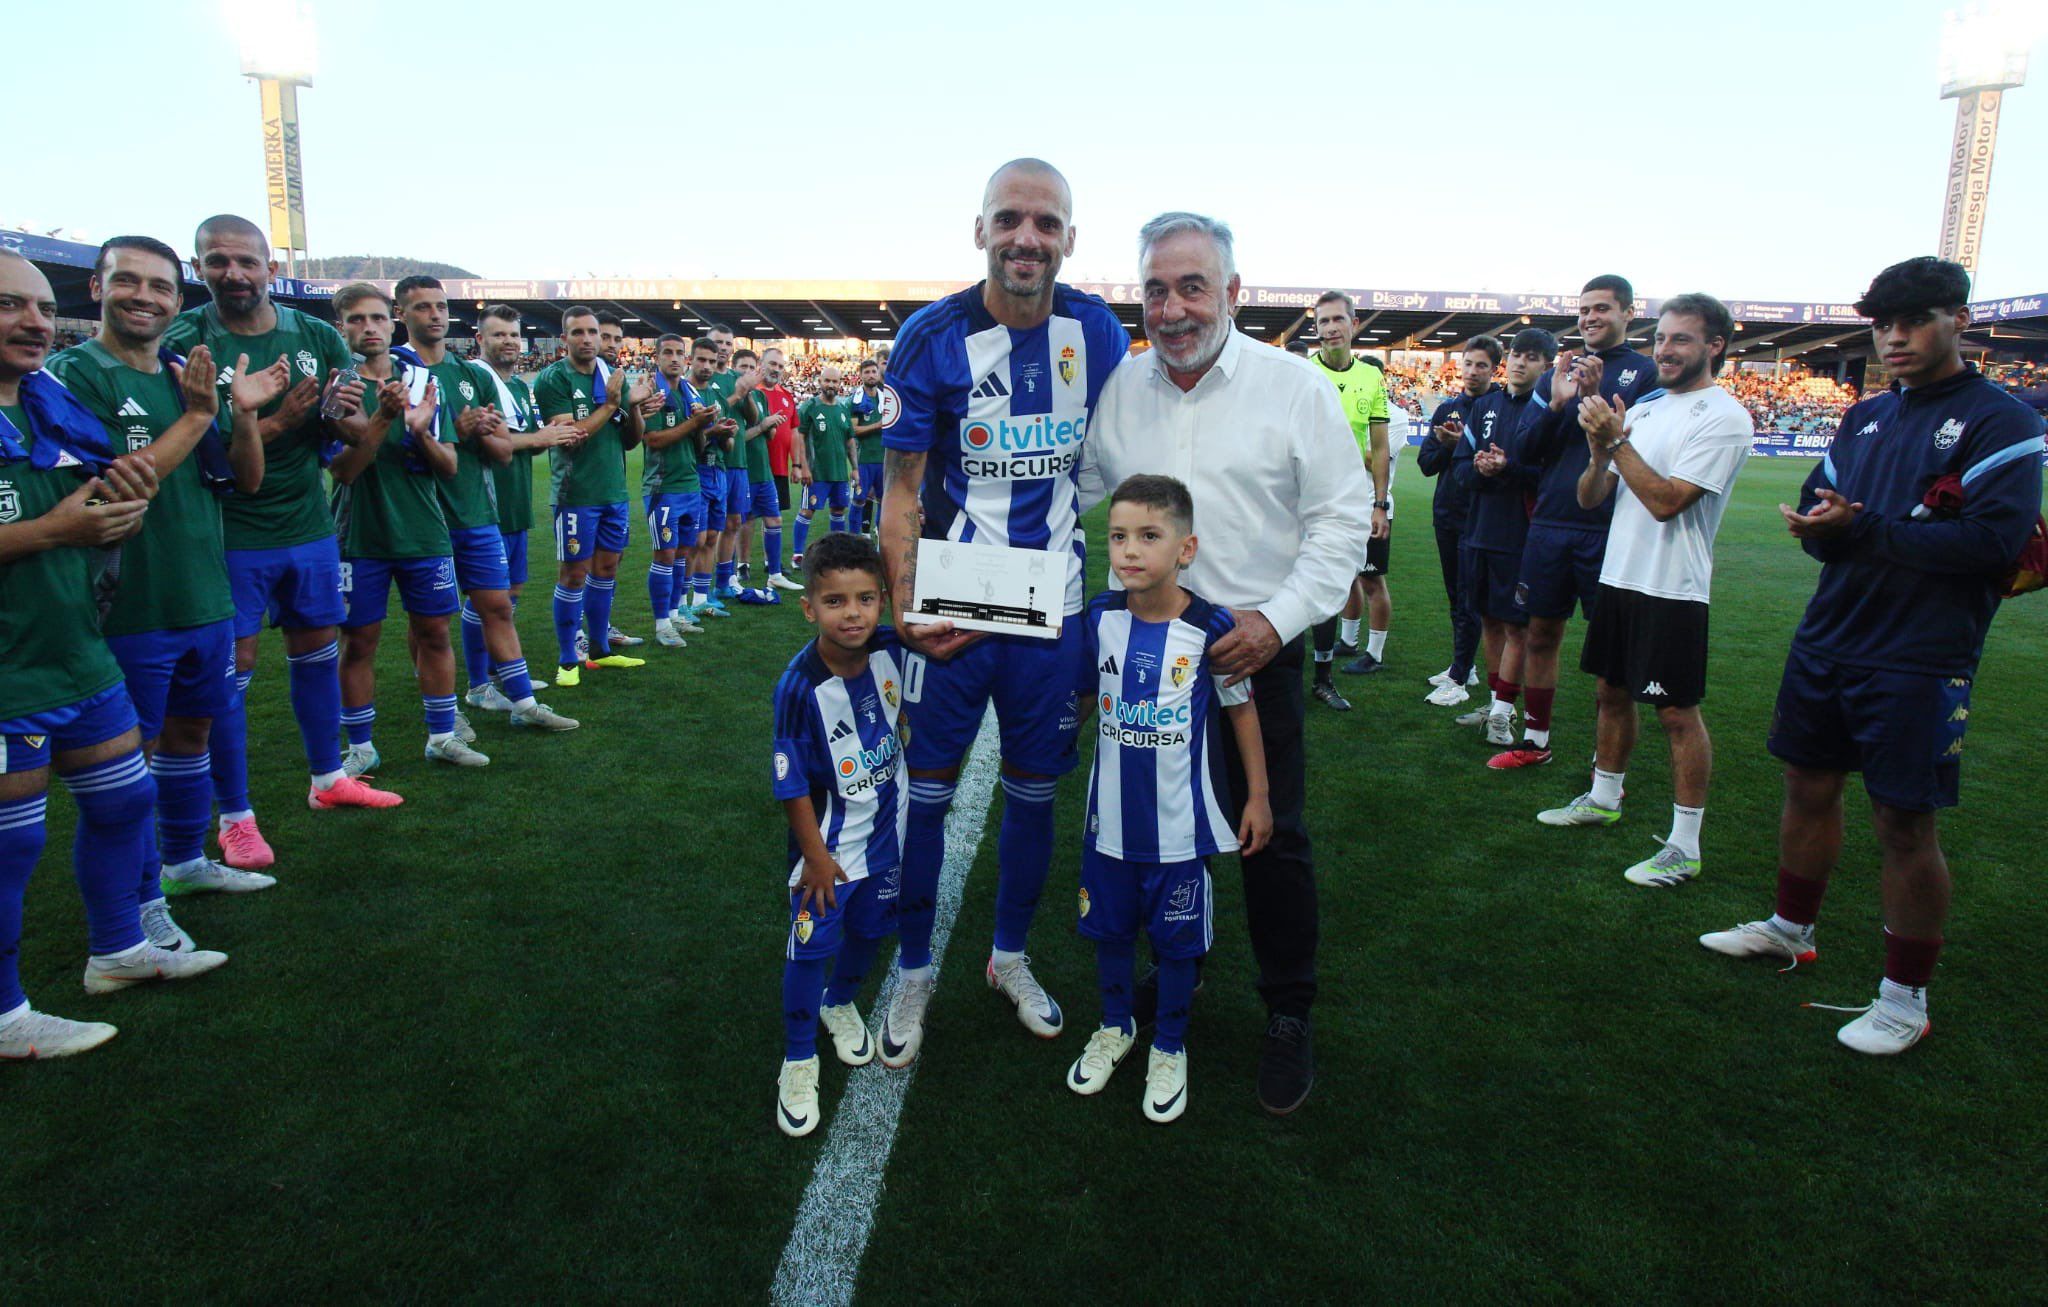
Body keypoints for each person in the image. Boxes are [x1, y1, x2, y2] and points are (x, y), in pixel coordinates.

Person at [1702, 257, 2046, 1054]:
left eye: (1914, 319)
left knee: (1903, 820)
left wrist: (1859, 530)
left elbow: (1992, 542)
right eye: (1881, 323)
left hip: (1922, 653)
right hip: (1832, 633)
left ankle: (1904, 998)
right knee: (1807, 783)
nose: (1894, 337)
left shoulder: (2003, 421)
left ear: (1960, 320)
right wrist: (1823, 530)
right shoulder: (1863, 418)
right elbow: (1833, 527)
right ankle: (1791, 929)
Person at [1079, 212, 1370, 1115]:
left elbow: (1341, 519)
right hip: (1144, 659)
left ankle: (1289, 1009)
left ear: (1234, 293)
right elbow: (1075, 493)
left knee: (1270, 834)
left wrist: (1277, 622)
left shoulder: (1293, 388)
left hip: (1253, 648)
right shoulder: (1122, 388)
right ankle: (1178, 972)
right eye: (1156, 289)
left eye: (1192, 286)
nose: (1172, 307)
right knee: (1156, 830)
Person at [875, 159, 1130, 1066]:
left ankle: (1009, 956)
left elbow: (1120, 459)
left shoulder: (1097, 332)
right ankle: (912, 967)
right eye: (1010, 219)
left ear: (1069, 237)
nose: (1029, 238)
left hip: (1051, 610)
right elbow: (901, 489)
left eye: (1047, 222)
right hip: (950, 610)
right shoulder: (931, 336)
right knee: (927, 798)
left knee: (1032, 795)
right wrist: (902, 607)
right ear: (980, 230)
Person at [0, 249, 229, 1060]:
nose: (30, 320)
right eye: (7, 305)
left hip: (76, 645)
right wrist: (52, 531)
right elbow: (79, 511)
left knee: (122, 802)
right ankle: (5, 1014)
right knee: (11, 842)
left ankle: (118, 951)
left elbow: (117, 487)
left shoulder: (49, 404)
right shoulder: (71, 380)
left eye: (35, 306)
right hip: (10, 664)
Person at [164, 214, 400, 847]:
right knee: (229, 670)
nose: (233, 273)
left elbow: (344, 428)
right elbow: (185, 447)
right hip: (229, 532)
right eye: (217, 261)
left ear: (272, 269)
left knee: (317, 652)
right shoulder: (185, 338)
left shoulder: (316, 334)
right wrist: (277, 420)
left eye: (246, 261)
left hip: (307, 523)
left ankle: (328, 778)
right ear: (199, 269)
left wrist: (343, 414)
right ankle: (235, 819)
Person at [1063, 475, 1271, 1124]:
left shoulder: (1211, 626)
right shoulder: (1100, 616)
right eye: (1118, 536)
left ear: (1186, 548)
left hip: (1182, 830)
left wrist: (1259, 796)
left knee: (1179, 946)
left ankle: (1170, 1044)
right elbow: (1078, 695)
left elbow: (1241, 713)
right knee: (1111, 932)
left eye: (1149, 536)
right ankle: (1116, 1025)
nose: (1129, 550)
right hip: (1109, 825)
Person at [1533, 294, 1753, 887]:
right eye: (1662, 339)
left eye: (1682, 340)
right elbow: (1590, 497)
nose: (1666, 351)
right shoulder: (1650, 409)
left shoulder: (1724, 415)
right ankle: (1604, 798)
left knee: (1677, 714)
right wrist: (1599, 451)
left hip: (1672, 587)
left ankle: (1685, 844)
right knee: (1610, 692)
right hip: (1619, 575)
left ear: (1714, 347)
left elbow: (1665, 502)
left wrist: (1617, 442)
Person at [392, 278, 576, 737]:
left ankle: (524, 703)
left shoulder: (470, 375)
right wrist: (453, 428)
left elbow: (500, 451)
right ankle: (444, 708)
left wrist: (482, 430)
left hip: (475, 510)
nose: (434, 315)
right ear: (403, 315)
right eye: (422, 308)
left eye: (440, 307)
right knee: (429, 619)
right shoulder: (394, 369)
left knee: (496, 606)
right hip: (423, 513)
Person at [770, 533, 909, 1137]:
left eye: (865, 599)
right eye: (835, 602)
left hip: (887, 836)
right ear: (810, 608)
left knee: (873, 930)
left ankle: (839, 1002)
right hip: (830, 852)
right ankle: (798, 1058)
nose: (852, 614)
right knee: (811, 947)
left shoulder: (889, 646)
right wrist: (816, 859)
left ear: (882, 601)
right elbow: (791, 785)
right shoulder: (799, 688)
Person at [1494, 276, 1661, 770]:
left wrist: (1598, 400)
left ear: (1628, 313)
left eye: (1602, 308)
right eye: (1584, 309)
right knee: (1542, 632)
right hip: (1549, 525)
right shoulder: (1555, 375)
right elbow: (1524, 450)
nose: (1589, 317)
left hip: (1610, 529)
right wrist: (1559, 404)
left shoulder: (1645, 373)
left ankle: (1608, 766)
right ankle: (1535, 739)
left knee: (1611, 653)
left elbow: (1641, 448)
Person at [328, 284, 489, 770]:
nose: (369, 328)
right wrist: (384, 419)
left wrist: (420, 430)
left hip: (423, 530)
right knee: (358, 640)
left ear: (391, 323)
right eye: (356, 320)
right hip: (361, 534)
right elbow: (344, 471)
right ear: (342, 327)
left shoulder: (420, 380)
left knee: (435, 633)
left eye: (376, 318)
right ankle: (360, 747)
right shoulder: (340, 386)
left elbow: (449, 466)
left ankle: (442, 735)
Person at [531, 305, 652, 686]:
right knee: (573, 574)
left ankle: (601, 649)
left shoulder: (608, 376)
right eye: (577, 332)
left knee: (606, 571)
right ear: (564, 337)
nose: (587, 339)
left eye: (592, 332)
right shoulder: (554, 379)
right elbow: (571, 438)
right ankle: (569, 659)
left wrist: (632, 407)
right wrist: (613, 404)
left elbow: (631, 441)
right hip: (575, 496)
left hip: (613, 492)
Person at [469, 304, 574, 699]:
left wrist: (551, 434)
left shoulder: (517, 386)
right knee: (486, 597)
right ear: (480, 339)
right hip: (485, 505)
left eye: (514, 335)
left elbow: (526, 442)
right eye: (498, 334)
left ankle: (500, 671)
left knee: (511, 591)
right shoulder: (477, 378)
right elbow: (486, 442)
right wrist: (541, 438)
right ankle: (479, 685)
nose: (509, 341)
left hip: (515, 504)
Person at [1454, 330, 1553, 749]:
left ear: (1546, 366)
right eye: (1515, 355)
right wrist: (1480, 469)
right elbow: (1459, 472)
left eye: (1531, 357)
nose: (1519, 363)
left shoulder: (1548, 412)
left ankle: (1501, 715)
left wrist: (1507, 469)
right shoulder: (1485, 407)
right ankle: (1498, 703)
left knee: (1517, 629)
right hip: (1479, 533)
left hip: (1522, 537)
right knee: (1490, 621)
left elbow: (1549, 479)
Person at [1298, 293, 1388, 707]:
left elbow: (1380, 446)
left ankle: (1322, 676)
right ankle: (1272, 669)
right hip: (1295, 495)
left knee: (1328, 584)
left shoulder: (1372, 378)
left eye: (1338, 320)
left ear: (1354, 324)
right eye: (1323, 321)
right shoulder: (1300, 371)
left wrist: (1380, 504)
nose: (1331, 327)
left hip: (1342, 499)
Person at [1414, 336, 1498, 706]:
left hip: (1481, 518)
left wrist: (1459, 446)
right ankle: (1465, 666)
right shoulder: (1447, 409)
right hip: (1447, 513)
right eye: (1467, 364)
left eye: (1481, 365)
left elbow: (1495, 463)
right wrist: (1449, 448)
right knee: (1455, 595)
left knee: (1470, 598)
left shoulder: (1500, 407)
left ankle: (1460, 679)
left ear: (1494, 369)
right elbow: (1426, 464)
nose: (1472, 371)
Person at [640, 333, 716, 646]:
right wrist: (693, 424)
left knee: (683, 554)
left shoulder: (688, 391)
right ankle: (661, 625)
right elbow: (653, 439)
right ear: (656, 357)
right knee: (665, 555)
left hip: (690, 484)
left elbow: (699, 444)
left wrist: (707, 426)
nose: (674, 358)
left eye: (679, 353)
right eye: (667, 353)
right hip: (664, 487)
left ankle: (674, 614)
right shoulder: (651, 391)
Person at [749, 347, 803, 593]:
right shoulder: (751, 393)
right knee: (743, 519)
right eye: (772, 364)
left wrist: (797, 464)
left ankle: (772, 566)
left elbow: (794, 432)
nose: (776, 370)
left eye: (780, 366)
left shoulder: (786, 396)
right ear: (761, 363)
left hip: (779, 466)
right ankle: (741, 564)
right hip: (752, 466)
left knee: (772, 517)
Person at [792, 365, 857, 564]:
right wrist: (803, 466)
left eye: (834, 381)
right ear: (819, 382)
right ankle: (797, 555)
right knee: (807, 511)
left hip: (839, 473)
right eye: (827, 381)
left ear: (840, 383)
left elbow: (850, 441)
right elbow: (799, 438)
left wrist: (854, 468)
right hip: (816, 472)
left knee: (838, 511)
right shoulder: (809, 406)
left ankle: (836, 554)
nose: (830, 385)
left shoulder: (844, 407)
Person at [847, 356, 888, 537]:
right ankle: (854, 538)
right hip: (863, 460)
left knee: (883, 500)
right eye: (867, 372)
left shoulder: (885, 397)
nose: (871, 375)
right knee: (859, 499)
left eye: (874, 372)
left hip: (884, 459)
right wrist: (877, 425)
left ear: (878, 374)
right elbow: (853, 430)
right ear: (861, 376)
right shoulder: (857, 399)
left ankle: (880, 536)